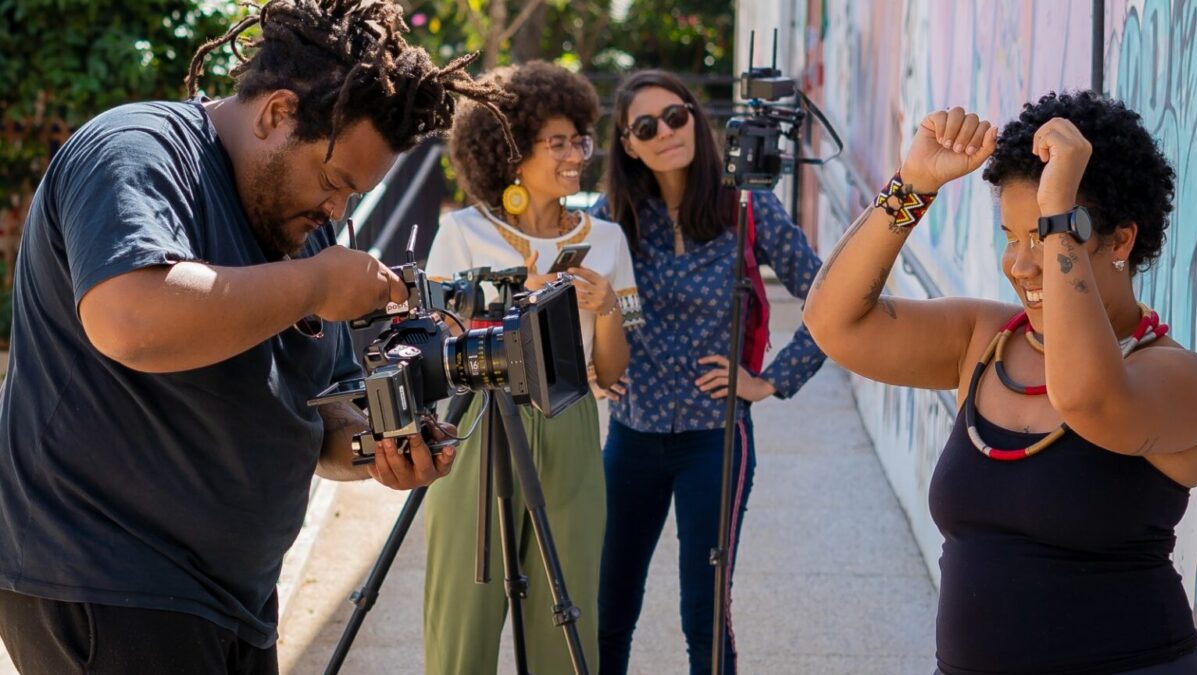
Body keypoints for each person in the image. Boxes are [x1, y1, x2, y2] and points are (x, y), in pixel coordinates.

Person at [0, 1, 516, 672]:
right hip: (108, 579)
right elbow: (128, 319)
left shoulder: (305, 228)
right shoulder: (136, 150)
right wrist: (313, 284)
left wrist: (378, 445)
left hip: (233, 598)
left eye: (352, 196)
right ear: (276, 113)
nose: (337, 209)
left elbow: (312, 415)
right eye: (334, 182)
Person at [804, 91, 1197, 674]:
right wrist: (913, 185)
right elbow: (834, 323)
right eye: (1013, 237)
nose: (1021, 263)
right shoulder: (984, 341)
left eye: (1047, 236)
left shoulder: (1174, 374)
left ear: (1120, 241)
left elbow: (1088, 399)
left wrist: (1058, 204)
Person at [591, 70, 826, 675]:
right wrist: (592, 364)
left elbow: (832, 300)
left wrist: (770, 380)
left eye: (677, 115)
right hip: (631, 436)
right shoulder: (612, 215)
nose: (667, 131)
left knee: (703, 612)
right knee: (608, 609)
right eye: (647, 126)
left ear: (696, 118)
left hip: (714, 441)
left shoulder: (745, 205)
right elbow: (571, 296)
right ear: (628, 143)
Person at [420, 60, 642, 675]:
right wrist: (515, 300)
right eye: (559, 142)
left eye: (581, 139)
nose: (577, 155)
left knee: (565, 620)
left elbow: (612, 367)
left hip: (570, 422)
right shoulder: (462, 233)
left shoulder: (608, 240)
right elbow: (438, 349)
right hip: (476, 424)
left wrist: (603, 310)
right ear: (513, 151)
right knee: (463, 614)